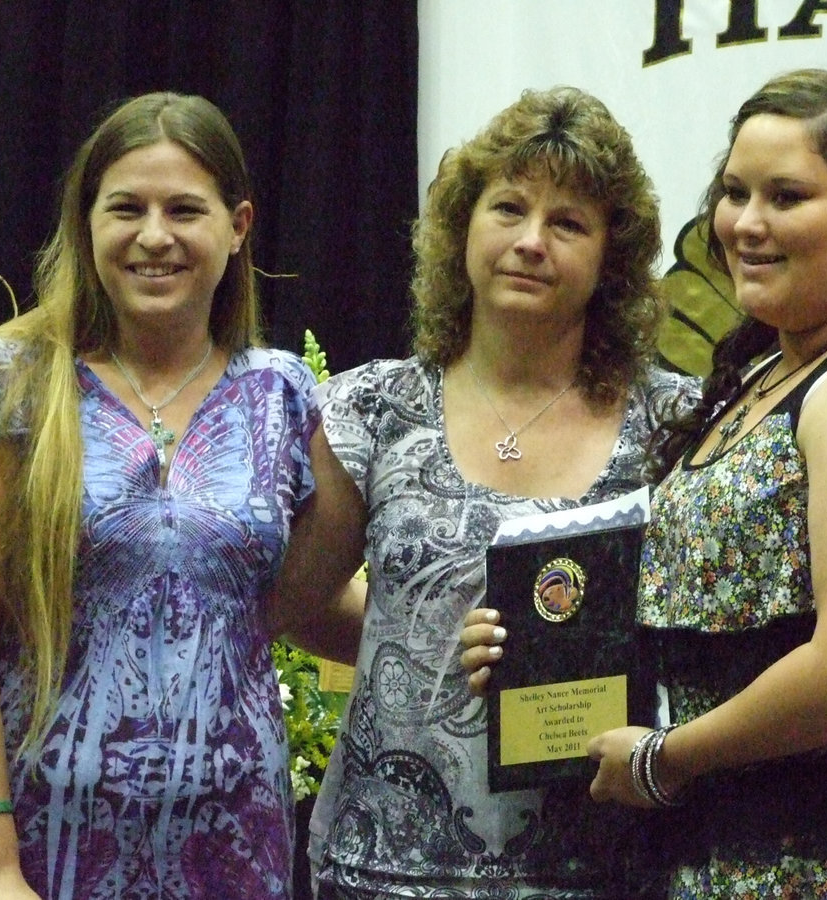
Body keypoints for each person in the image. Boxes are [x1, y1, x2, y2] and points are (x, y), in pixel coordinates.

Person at [464, 69, 827, 898]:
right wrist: (539, 648)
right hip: (742, 858)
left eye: (787, 196)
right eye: (734, 192)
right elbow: (728, 627)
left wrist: (666, 762)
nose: (745, 224)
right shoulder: (767, 372)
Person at [0, 91, 364, 900]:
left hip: (231, 856)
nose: (154, 235)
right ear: (87, 223)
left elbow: (288, 603)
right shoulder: (8, 381)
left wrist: (443, 640)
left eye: (185, 209)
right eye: (126, 208)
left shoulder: (282, 395)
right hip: (28, 853)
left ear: (238, 227)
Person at [288, 86, 698, 899]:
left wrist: (568, 666)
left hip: (610, 872)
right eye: (508, 208)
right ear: (462, 228)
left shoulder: (675, 424)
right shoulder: (374, 407)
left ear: (612, 260)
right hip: (384, 869)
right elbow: (297, 602)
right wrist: (421, 643)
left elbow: (707, 642)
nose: (531, 242)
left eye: (569, 223)